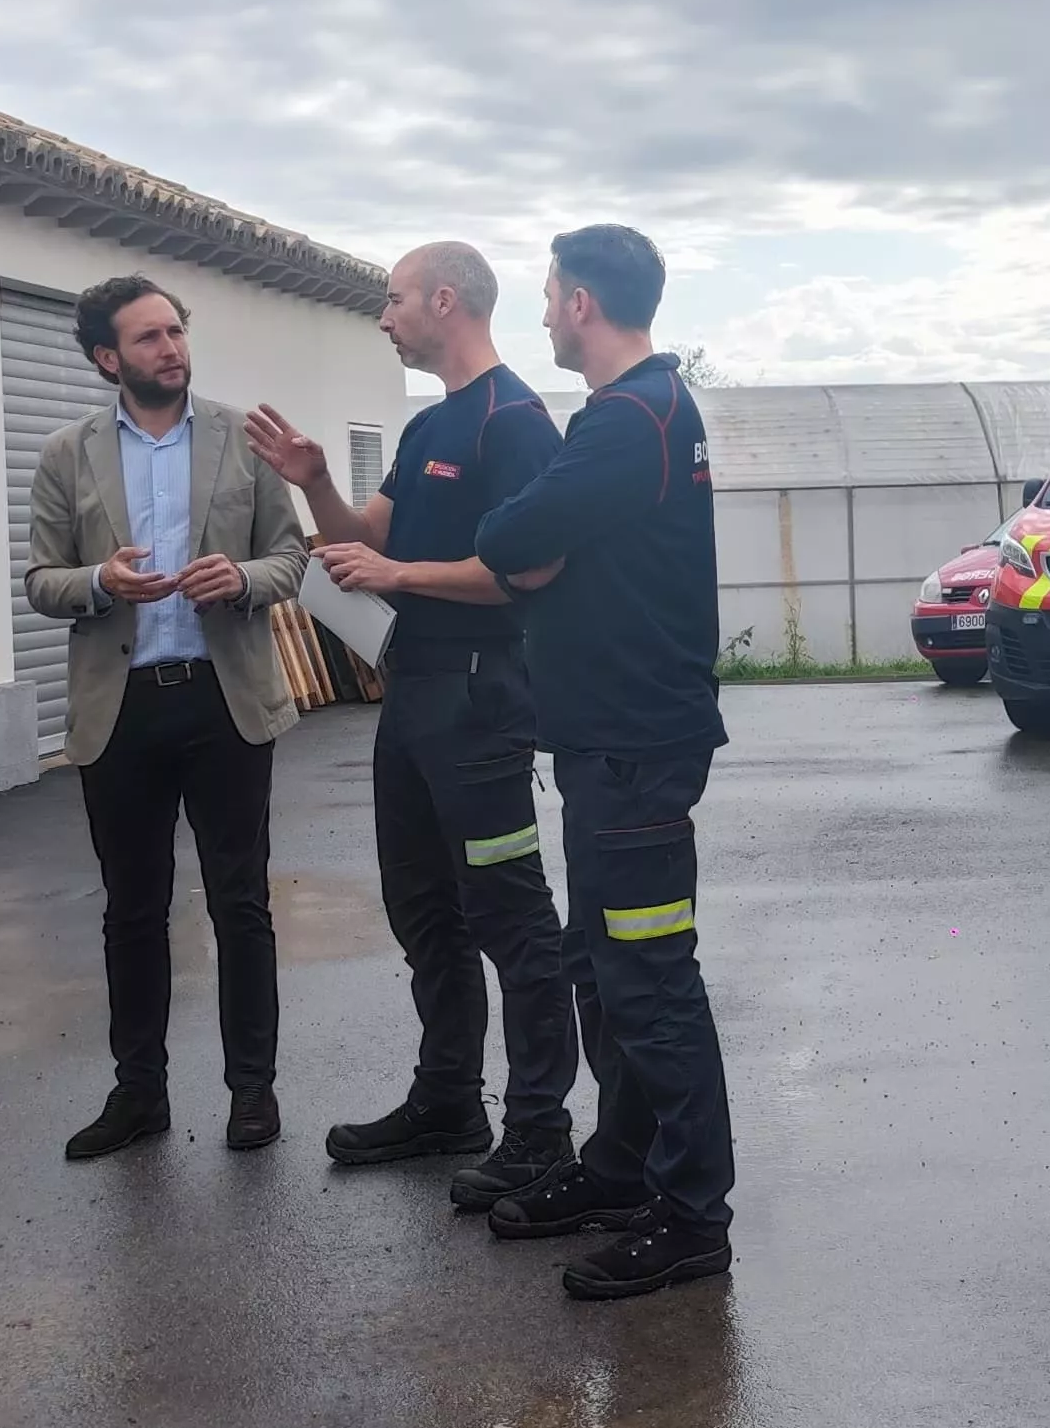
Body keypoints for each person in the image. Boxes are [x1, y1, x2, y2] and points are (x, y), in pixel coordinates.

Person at [241, 240, 581, 1207]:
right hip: (415, 695)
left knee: (511, 917)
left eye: (393, 301)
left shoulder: (513, 423)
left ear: (445, 300)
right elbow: (364, 542)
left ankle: (540, 1130)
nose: (383, 318)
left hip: (481, 696)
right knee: (423, 909)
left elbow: (538, 569)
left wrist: (399, 580)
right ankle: (447, 1104)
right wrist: (313, 480)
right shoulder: (432, 423)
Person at [464, 224, 737, 1300]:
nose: (540, 314)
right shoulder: (633, 414)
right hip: (608, 740)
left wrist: (531, 551)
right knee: (607, 966)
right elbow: (529, 543)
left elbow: (506, 536)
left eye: (546, 297)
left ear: (581, 302)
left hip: (633, 744)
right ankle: (621, 1170)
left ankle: (690, 1214)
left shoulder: (631, 420)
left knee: (651, 978)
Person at [22, 275, 312, 1161]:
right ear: (107, 357)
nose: (172, 350)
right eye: (148, 338)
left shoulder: (242, 440)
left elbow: (291, 555)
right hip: (122, 708)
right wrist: (103, 581)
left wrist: (246, 580)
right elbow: (41, 581)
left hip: (223, 697)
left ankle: (251, 1091)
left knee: (241, 904)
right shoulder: (67, 455)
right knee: (131, 910)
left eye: (175, 332)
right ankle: (138, 1092)